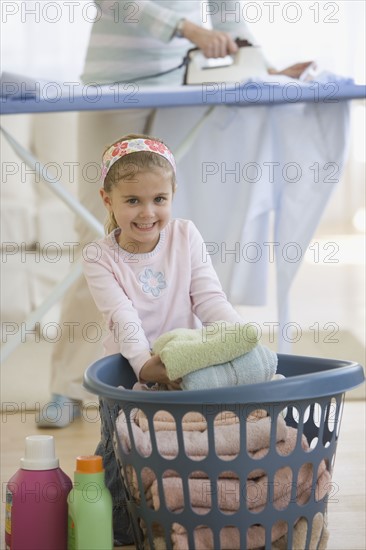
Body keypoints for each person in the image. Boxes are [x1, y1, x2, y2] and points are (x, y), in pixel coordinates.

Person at [38, 0, 312, 428]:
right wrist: (189, 29)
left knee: (163, 231)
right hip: (113, 79)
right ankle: (68, 384)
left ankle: (173, 365)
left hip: (180, 82)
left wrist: (262, 67)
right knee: (96, 235)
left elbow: (227, 16)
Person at [82, 133, 247, 544]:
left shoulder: (185, 236)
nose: (147, 213)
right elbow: (124, 318)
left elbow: (209, 299)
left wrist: (238, 340)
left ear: (173, 194)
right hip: (127, 375)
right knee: (120, 456)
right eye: (132, 201)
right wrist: (146, 366)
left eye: (159, 199)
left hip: (183, 369)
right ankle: (124, 531)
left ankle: (180, 524)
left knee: (182, 454)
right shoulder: (100, 257)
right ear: (108, 200)